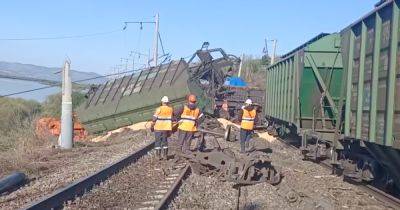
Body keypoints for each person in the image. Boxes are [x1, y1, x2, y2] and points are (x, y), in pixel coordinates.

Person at [151, 96, 173, 160]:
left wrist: (152, 125)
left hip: (158, 128)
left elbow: (154, 119)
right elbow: (171, 118)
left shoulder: (159, 109)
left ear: (162, 102)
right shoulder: (170, 109)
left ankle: (158, 156)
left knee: (158, 141)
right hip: (166, 128)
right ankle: (165, 156)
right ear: (167, 102)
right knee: (165, 141)